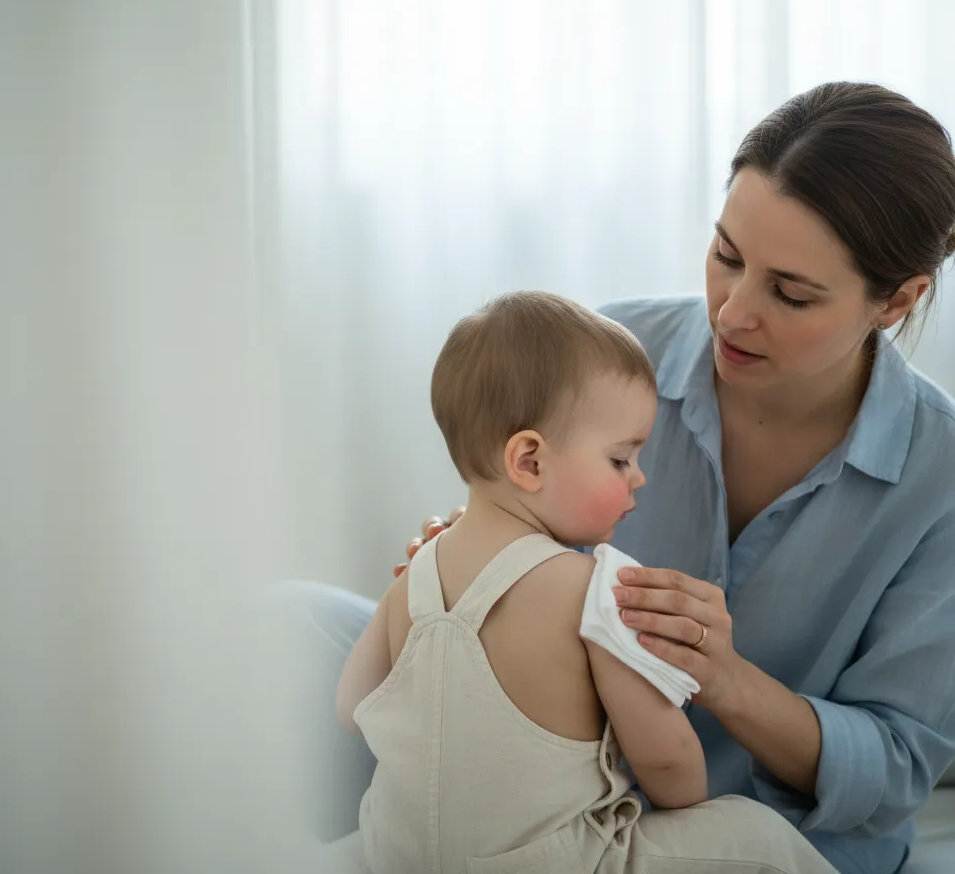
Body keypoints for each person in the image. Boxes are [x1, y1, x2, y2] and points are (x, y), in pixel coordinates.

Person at [285, 82, 955, 874]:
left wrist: (729, 682)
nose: (732, 312)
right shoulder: (612, 355)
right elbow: (513, 491)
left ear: (896, 301)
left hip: (755, 834)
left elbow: (897, 768)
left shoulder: (936, 475)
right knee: (286, 619)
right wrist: (469, 564)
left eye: (790, 292)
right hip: (534, 788)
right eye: (727, 256)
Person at [336, 289, 839, 874]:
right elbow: (668, 761)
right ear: (530, 462)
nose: (640, 478)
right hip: (555, 862)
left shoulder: (414, 574)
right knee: (755, 836)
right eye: (621, 459)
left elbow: (353, 708)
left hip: (398, 856)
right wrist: (687, 806)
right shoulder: (597, 589)